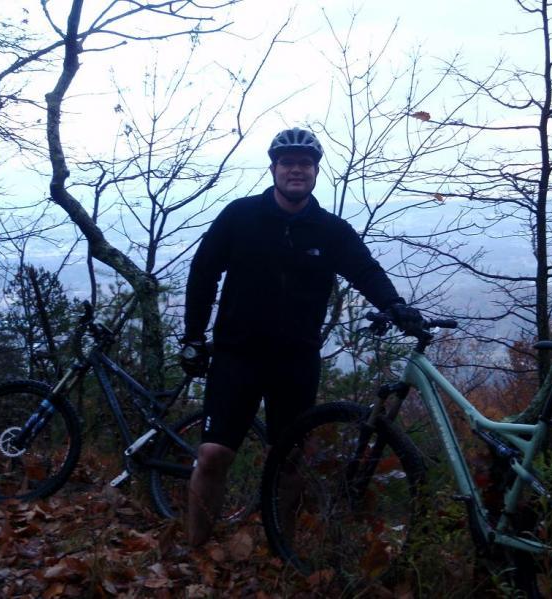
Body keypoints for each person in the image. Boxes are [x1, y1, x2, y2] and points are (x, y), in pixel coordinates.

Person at [179, 127, 422, 546]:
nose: (296, 170)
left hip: (296, 360)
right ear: (273, 169)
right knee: (213, 454)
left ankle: (281, 553)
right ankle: (195, 550)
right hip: (238, 355)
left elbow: (364, 270)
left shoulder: (330, 230)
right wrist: (194, 336)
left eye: (305, 164)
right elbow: (203, 273)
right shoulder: (239, 216)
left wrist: (394, 305)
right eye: (288, 163)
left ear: (315, 172)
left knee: (289, 459)